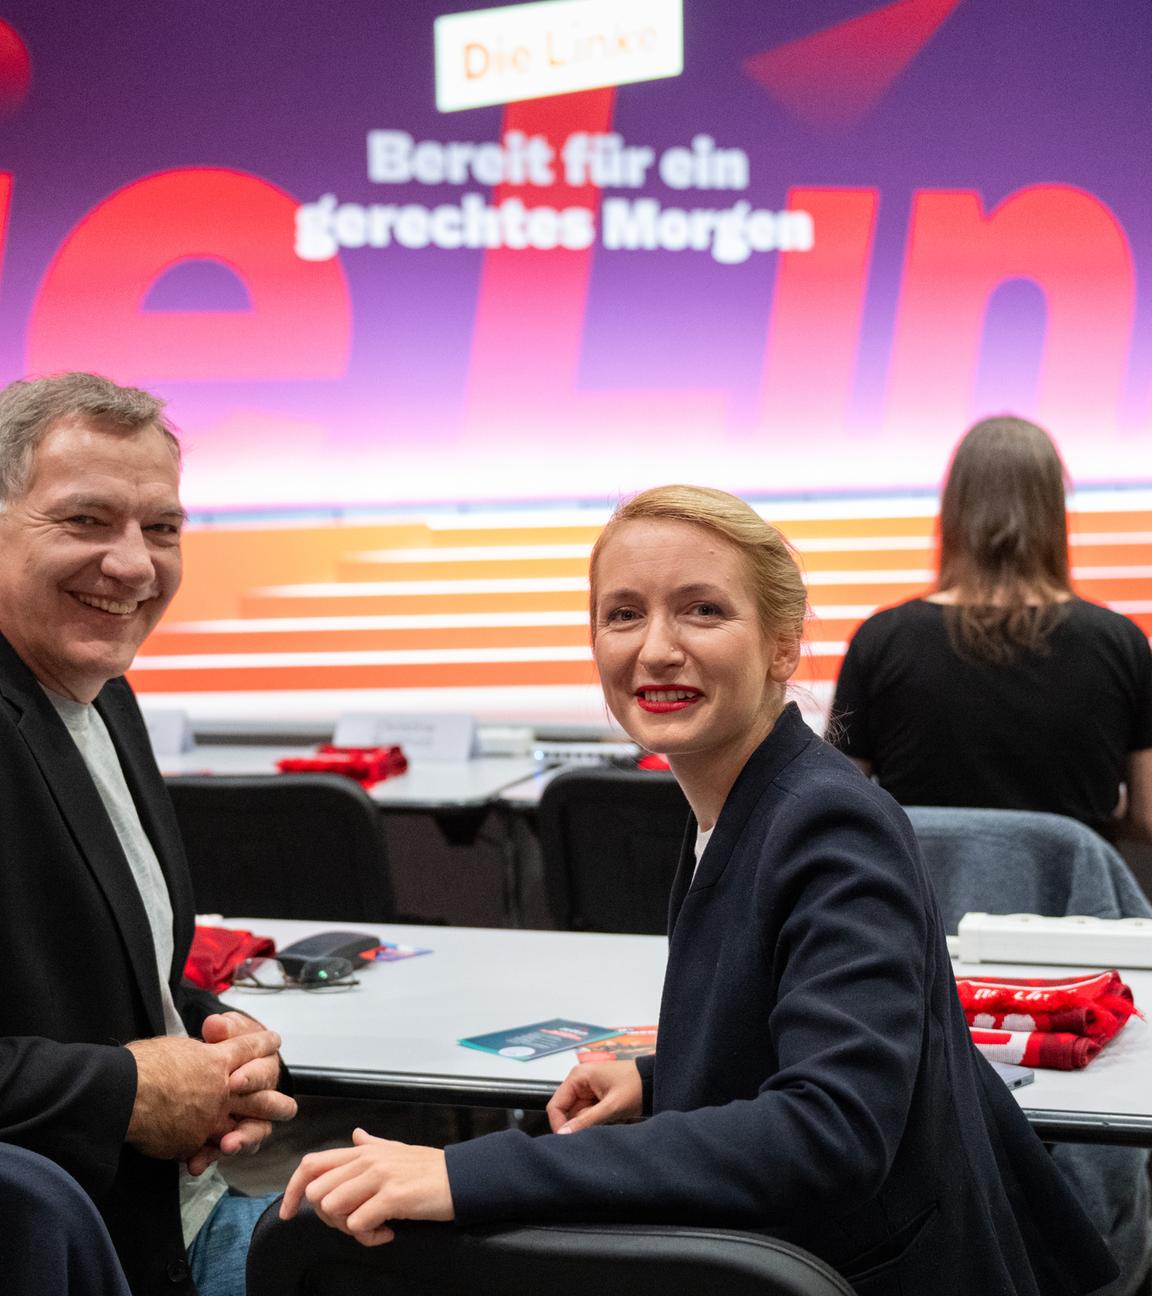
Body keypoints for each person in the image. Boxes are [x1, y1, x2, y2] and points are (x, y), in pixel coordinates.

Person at [281, 484, 1118, 1296]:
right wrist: (662, 1074)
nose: (655, 648)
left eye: (703, 610)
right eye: (623, 613)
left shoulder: (829, 822)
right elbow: (804, 1023)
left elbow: (831, 1130)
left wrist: (465, 1172)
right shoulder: (742, 797)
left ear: (783, 646)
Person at [0, 373, 298, 1296]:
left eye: (161, 529)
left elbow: (114, 976)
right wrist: (130, 1094)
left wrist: (214, 1040)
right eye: (86, 521)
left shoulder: (103, 693)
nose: (134, 566)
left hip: (176, 1222)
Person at [828, 415, 1152, 840]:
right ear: (1053, 511)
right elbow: (1147, 816)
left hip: (922, 903)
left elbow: (839, 807)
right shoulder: (1120, 642)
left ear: (955, 509)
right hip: (1073, 902)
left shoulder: (880, 639)